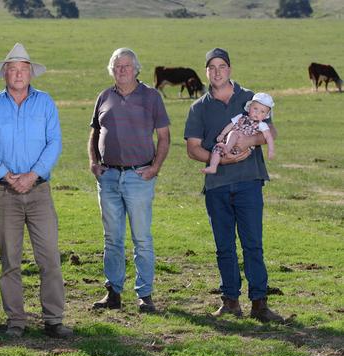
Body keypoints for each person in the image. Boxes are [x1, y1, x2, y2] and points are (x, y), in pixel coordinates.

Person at [0, 43, 73, 338]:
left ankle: (54, 319)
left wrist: (32, 175)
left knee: (50, 259)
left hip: (39, 191)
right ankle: (15, 320)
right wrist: (7, 175)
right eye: (12, 69)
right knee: (10, 261)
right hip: (5, 193)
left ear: (31, 74)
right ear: (5, 73)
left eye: (23, 69)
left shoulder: (45, 103)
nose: (18, 74)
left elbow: (54, 143)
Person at [184, 48, 284, 323]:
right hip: (216, 186)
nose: (217, 71)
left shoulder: (250, 99)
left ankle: (260, 303)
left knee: (253, 243)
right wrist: (223, 161)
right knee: (224, 245)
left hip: (249, 182)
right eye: (211, 67)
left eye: (222, 66)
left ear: (229, 69)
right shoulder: (199, 107)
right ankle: (230, 301)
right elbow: (193, 149)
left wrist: (248, 142)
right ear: (206, 71)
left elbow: (270, 133)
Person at [88, 48, 171, 313]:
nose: (121, 70)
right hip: (108, 177)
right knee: (112, 238)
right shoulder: (104, 96)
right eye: (117, 66)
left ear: (136, 69)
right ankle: (113, 293)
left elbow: (164, 137)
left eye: (126, 66)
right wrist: (94, 162)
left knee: (142, 238)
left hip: (139, 176)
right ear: (111, 70)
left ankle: (144, 295)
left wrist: (155, 168)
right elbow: (94, 133)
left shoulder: (151, 97)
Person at [202, 92, 275, 174]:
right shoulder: (240, 116)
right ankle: (213, 166)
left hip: (242, 148)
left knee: (234, 133)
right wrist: (222, 134)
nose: (257, 113)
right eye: (255, 109)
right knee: (216, 149)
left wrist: (271, 150)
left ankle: (227, 149)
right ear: (249, 107)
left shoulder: (262, 125)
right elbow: (230, 125)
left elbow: (269, 137)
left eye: (262, 112)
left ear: (266, 116)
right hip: (227, 142)